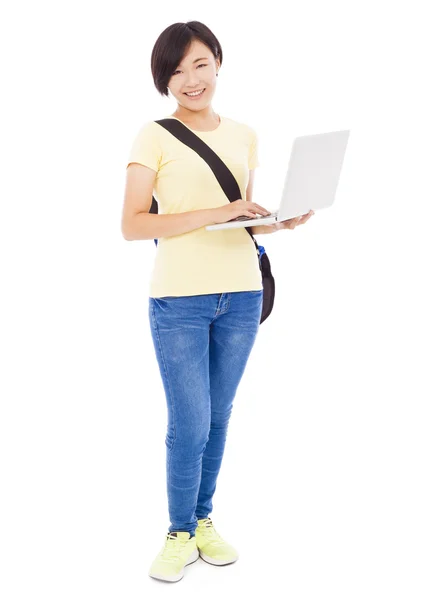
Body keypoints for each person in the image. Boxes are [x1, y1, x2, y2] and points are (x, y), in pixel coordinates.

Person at [121, 20, 314, 584]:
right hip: (178, 299)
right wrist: (217, 213)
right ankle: (179, 531)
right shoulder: (152, 135)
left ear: (218, 64)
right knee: (190, 421)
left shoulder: (246, 134)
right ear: (164, 80)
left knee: (220, 415)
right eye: (176, 71)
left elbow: (242, 222)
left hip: (242, 294)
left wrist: (280, 221)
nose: (190, 79)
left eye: (199, 64)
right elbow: (132, 225)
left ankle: (205, 520)